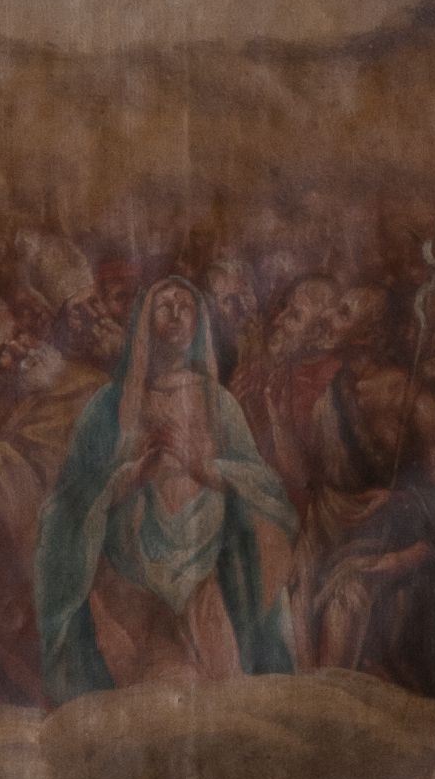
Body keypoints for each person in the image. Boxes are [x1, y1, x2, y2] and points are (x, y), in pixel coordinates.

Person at [33, 276, 298, 697]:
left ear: (199, 323)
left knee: (220, 692)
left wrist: (203, 467)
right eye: (164, 306)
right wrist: (132, 475)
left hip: (207, 570)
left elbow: (264, 488)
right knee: (150, 691)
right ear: (142, 320)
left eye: (185, 306)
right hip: (126, 578)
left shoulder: (219, 403)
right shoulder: (106, 406)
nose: (175, 314)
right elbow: (69, 499)